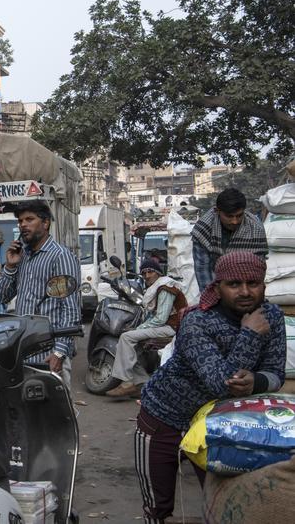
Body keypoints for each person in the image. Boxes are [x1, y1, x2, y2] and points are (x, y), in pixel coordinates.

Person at [134, 251, 285, 524]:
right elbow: (221, 384)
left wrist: (258, 381)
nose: (245, 291)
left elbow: (275, 373)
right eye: (234, 284)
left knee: (223, 503)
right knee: (158, 508)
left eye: (253, 283)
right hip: (162, 419)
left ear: (264, 285)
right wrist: (249, 334)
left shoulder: (271, 316)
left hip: (219, 425)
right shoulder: (197, 321)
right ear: (217, 287)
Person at [0, 201, 82, 387]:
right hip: (23, 351)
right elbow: (2, 297)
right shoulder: (23, 256)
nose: (23, 225)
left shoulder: (60, 256)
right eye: (20, 221)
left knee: (55, 413)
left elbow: (70, 309)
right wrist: (10, 266)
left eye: (29, 219)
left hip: (49, 354)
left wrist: (59, 352)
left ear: (45, 223)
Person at [106, 260, 187, 398]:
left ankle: (126, 383)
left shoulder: (165, 287)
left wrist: (139, 328)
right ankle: (143, 383)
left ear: (158, 273)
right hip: (165, 326)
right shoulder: (156, 288)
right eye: (144, 273)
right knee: (128, 347)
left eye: (150, 272)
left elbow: (161, 318)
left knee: (126, 337)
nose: (147, 275)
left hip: (172, 327)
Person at [192, 187, 267, 290]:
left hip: (247, 283)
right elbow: (203, 269)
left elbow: (259, 268)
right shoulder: (203, 229)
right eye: (229, 216)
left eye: (239, 216)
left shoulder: (255, 227)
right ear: (217, 211)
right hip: (217, 283)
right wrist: (210, 299)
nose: (234, 221)